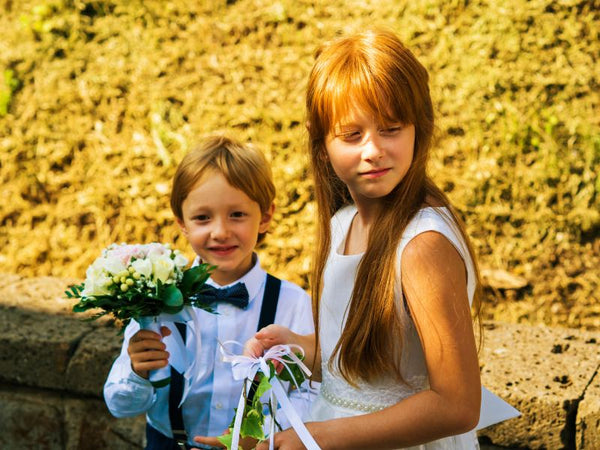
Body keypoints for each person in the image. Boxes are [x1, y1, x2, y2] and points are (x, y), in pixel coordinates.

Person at [246, 29, 483, 449]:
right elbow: (359, 367)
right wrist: (298, 350)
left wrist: (319, 438)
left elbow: (458, 405)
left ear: (419, 128)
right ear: (321, 144)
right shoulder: (343, 223)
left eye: (391, 128)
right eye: (351, 135)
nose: (372, 150)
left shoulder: (422, 246)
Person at [104, 135, 316, 450]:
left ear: (266, 217)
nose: (220, 231)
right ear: (182, 222)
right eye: (203, 218)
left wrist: (263, 435)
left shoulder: (294, 303)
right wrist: (136, 372)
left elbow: (309, 395)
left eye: (237, 215)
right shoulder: (156, 303)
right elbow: (120, 406)